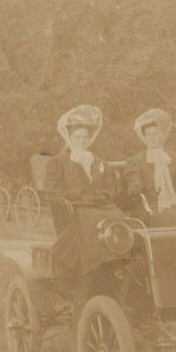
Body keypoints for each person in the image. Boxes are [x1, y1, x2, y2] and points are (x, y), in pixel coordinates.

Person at [44, 104, 125, 277]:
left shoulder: (97, 161)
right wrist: (79, 194)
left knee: (119, 216)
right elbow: (53, 190)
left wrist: (105, 195)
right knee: (95, 220)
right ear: (70, 138)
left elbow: (110, 186)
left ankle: (118, 259)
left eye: (85, 137)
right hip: (76, 207)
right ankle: (96, 265)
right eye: (77, 137)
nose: (82, 141)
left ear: (90, 139)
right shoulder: (58, 162)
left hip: (99, 205)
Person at [124, 108, 176, 227]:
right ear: (144, 137)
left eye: (155, 134)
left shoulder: (174, 158)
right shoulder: (138, 161)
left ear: (162, 135)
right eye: (148, 135)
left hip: (174, 200)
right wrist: (135, 188)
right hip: (150, 204)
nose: (152, 138)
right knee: (168, 218)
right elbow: (135, 181)